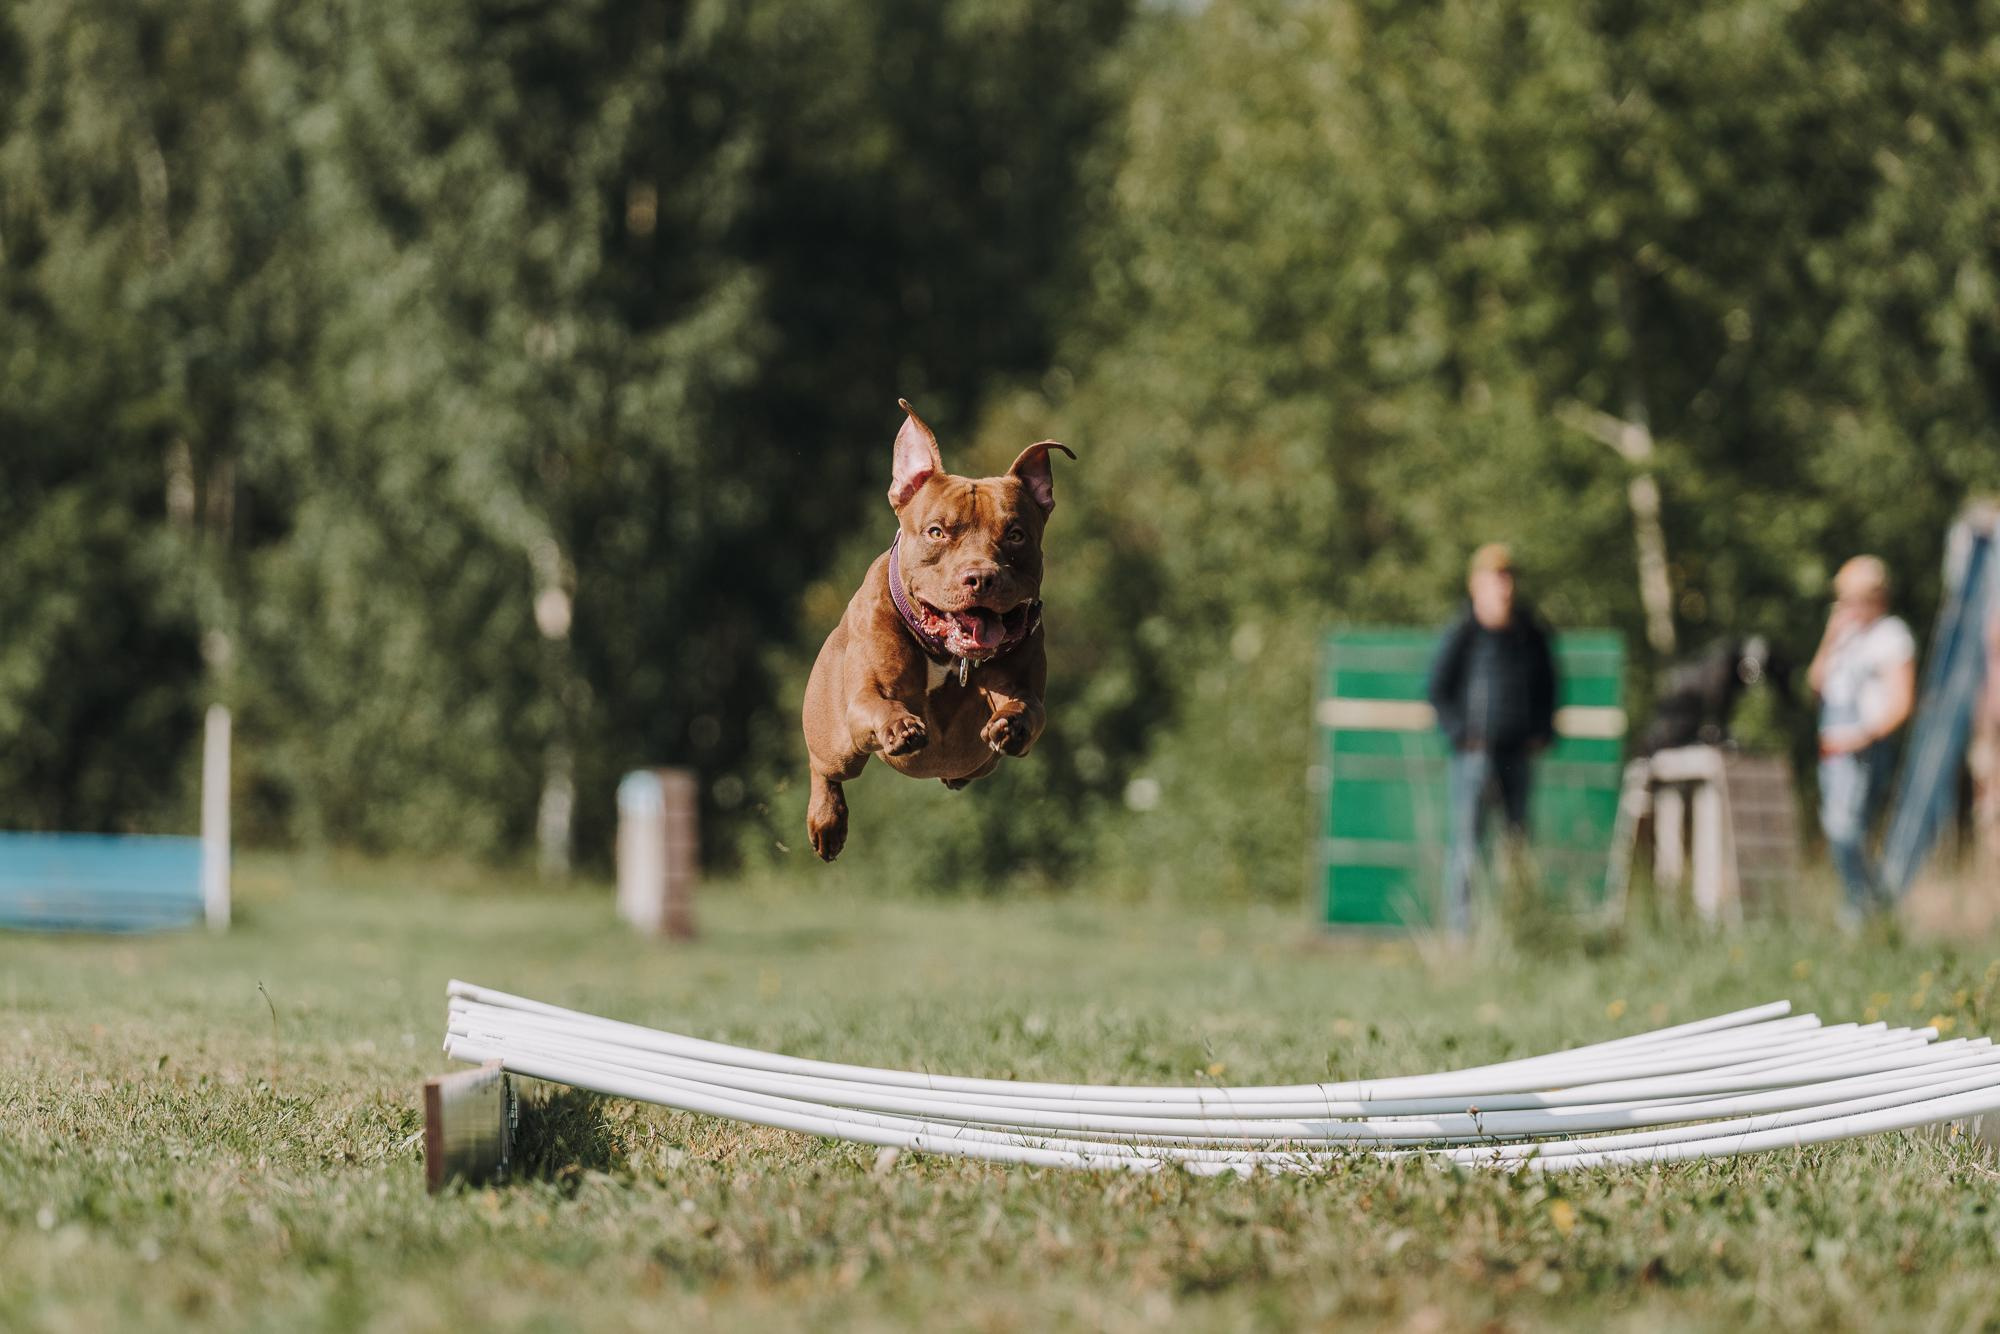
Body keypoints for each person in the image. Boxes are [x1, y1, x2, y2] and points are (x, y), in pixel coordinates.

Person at [1427, 544, 1559, 936]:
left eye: (1508, 578)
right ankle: (1462, 935)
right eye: (1495, 578)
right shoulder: (1463, 633)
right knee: (1467, 850)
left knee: (1516, 849)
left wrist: (1543, 731)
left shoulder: (1530, 633)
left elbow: (1549, 687)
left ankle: (1514, 931)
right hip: (1474, 757)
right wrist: (1459, 735)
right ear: (1476, 585)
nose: (1504, 587)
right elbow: (1437, 689)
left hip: (1517, 756)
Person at [1807, 555, 1917, 922]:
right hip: (1833, 746)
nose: (1848, 608)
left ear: (1878, 598)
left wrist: (1862, 736)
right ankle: (1868, 906)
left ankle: (1862, 906)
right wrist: (1830, 636)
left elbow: (1901, 703)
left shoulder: (1891, 636)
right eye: (1843, 601)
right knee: (1838, 824)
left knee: (1845, 825)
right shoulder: (1844, 635)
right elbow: (1816, 683)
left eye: (1854, 600)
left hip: (1864, 746)